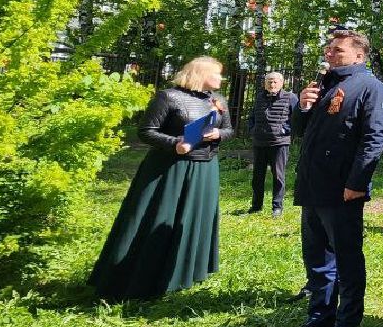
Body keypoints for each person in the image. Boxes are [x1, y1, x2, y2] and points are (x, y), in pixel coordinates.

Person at [285, 30, 383, 327]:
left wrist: (357, 183)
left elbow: (374, 138)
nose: (330, 54)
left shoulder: (371, 87)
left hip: (342, 190)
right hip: (313, 186)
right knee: (317, 257)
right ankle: (320, 317)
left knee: (345, 260)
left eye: (338, 50)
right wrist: (302, 108)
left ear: (359, 56)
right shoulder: (323, 85)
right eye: (328, 49)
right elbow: (299, 131)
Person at [90, 57, 233, 301]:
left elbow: (229, 130)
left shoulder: (217, 100)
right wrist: (174, 143)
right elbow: (146, 131)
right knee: (158, 217)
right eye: (217, 74)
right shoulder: (169, 97)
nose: (221, 79)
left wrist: (218, 133)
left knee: (196, 219)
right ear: (201, 73)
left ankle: (186, 273)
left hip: (206, 168)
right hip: (170, 168)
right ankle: (140, 276)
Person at [247, 71, 297, 218]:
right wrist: (253, 130)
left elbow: (297, 119)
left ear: (281, 83)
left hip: (279, 143)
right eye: (269, 81)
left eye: (275, 81)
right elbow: (252, 117)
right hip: (260, 142)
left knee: (278, 176)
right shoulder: (259, 98)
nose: (272, 84)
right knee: (257, 176)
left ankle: (277, 207)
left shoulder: (290, 97)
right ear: (265, 83)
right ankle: (256, 206)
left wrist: (284, 130)